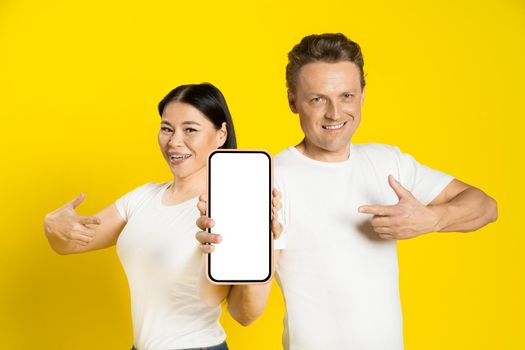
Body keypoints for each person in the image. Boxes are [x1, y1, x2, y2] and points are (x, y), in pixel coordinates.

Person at [196, 34, 498, 350]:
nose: (335, 113)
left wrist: (432, 219)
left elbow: (486, 207)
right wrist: (260, 246)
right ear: (292, 101)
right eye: (317, 99)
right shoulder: (267, 180)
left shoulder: (387, 162)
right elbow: (244, 315)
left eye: (347, 96)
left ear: (363, 95)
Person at [44, 83, 281, 350]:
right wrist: (52, 225)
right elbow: (71, 244)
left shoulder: (231, 208)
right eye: (167, 128)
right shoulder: (143, 197)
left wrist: (263, 244)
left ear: (221, 134)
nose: (174, 141)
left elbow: (244, 314)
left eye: (190, 129)